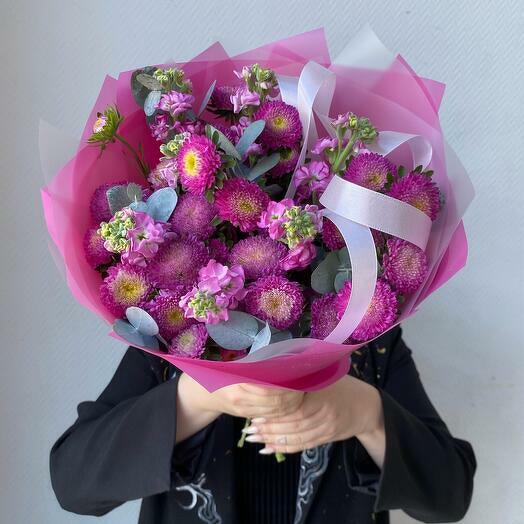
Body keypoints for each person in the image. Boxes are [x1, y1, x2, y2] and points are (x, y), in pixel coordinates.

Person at [49, 325, 476, 523]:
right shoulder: (171, 337)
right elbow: (75, 485)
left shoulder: (370, 343)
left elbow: (449, 496)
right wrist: (192, 398)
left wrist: (366, 411)